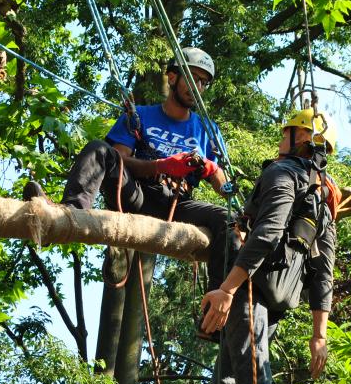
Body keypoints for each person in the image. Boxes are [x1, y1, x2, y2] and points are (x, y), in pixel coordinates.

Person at [198, 108, 339, 384]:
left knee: (250, 373)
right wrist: (319, 332)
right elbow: (322, 268)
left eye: (287, 132)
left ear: (300, 138)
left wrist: (229, 287)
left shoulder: (282, 175)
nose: (281, 139)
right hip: (276, 294)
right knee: (229, 372)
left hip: (250, 287)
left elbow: (269, 231)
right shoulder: (323, 198)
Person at [24, 47, 235, 288]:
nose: (198, 86)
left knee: (228, 220)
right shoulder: (140, 116)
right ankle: (67, 214)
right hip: (137, 194)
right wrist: (161, 165)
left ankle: (219, 301)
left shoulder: (207, 130)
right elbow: (121, 159)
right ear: (173, 77)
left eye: (204, 82)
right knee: (100, 149)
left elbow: (226, 188)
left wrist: (210, 169)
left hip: (177, 205)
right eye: (192, 77)